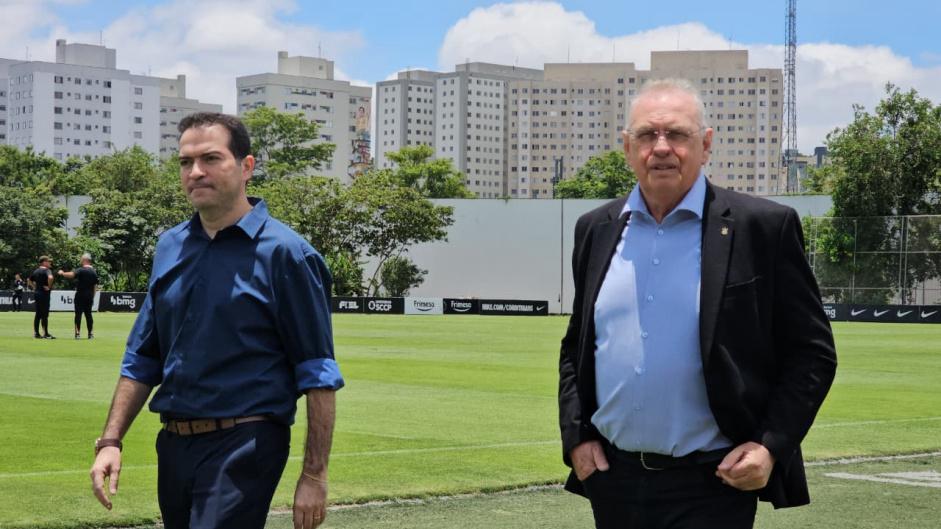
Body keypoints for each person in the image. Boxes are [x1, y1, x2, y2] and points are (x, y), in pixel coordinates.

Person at [558, 78, 837, 529]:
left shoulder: (762, 227)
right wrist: (577, 436)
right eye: (647, 135)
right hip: (612, 480)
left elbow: (812, 354)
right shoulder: (596, 229)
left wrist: (770, 445)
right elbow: (577, 347)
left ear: (705, 145)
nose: (662, 148)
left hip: (713, 484)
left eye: (678, 135)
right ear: (628, 148)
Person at [88, 112, 344, 529]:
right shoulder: (170, 246)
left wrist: (314, 475)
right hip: (173, 444)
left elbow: (317, 371)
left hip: (246, 440)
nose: (196, 172)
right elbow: (143, 357)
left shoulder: (287, 254)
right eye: (185, 162)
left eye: (210, 158)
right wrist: (111, 441)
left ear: (246, 167)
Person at [58, 253, 99, 339]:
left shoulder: (81, 270)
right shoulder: (94, 272)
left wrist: (62, 273)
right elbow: (95, 286)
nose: (80, 260)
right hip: (89, 296)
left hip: (80, 295)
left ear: (85, 260)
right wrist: (92, 296)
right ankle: (90, 334)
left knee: (78, 314)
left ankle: (77, 334)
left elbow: (72, 275)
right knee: (89, 315)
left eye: (81, 259)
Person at [28, 256, 55, 339]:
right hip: (44, 294)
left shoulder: (36, 271)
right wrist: (49, 287)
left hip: (37, 293)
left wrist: (34, 287)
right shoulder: (47, 270)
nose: (50, 263)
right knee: (44, 314)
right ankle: (45, 333)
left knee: (38, 314)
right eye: (48, 261)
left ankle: (36, 333)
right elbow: (50, 277)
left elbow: (29, 280)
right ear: (44, 262)